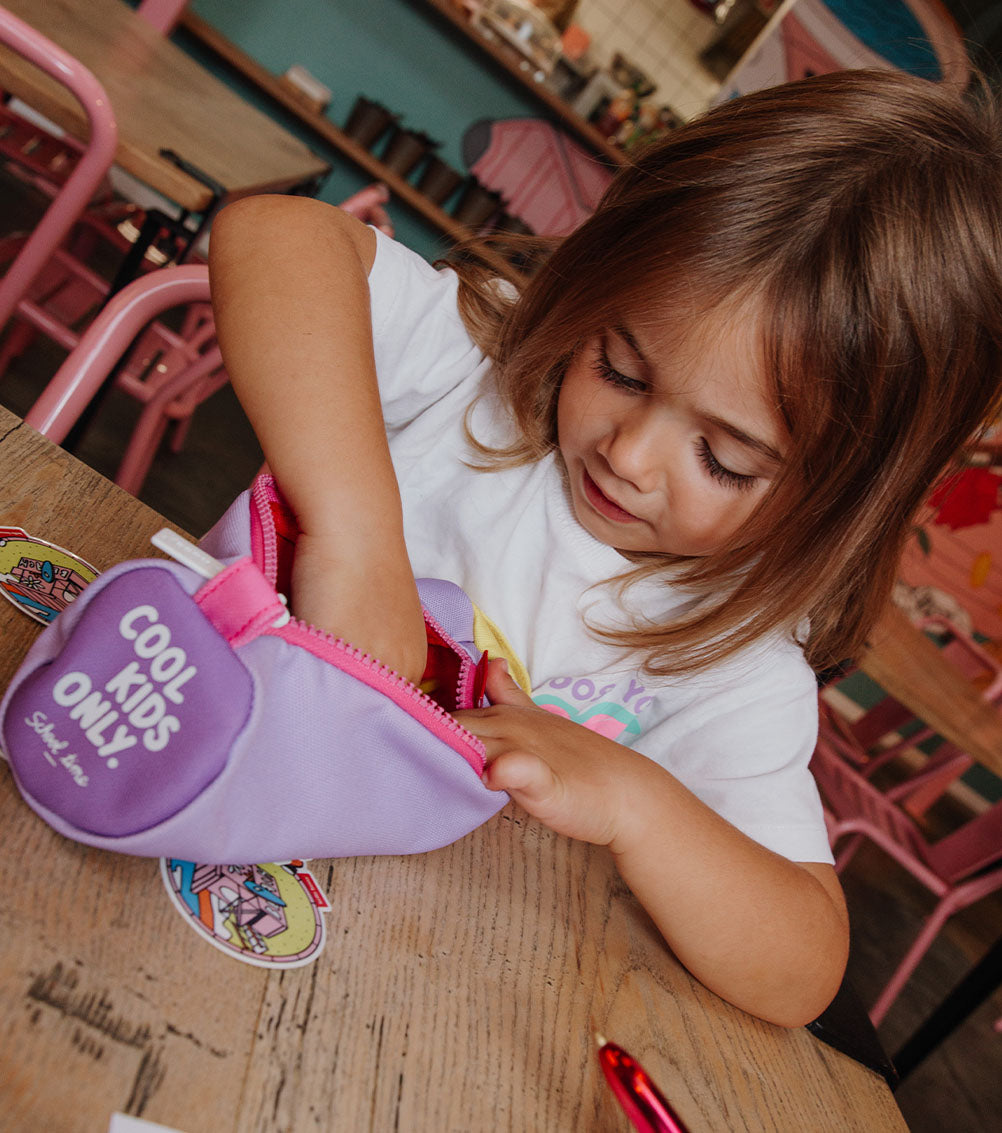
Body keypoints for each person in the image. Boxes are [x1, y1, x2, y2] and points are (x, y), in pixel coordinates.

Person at [208, 69, 1002, 1028]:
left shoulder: (732, 664)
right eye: (619, 367)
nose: (628, 454)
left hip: (379, 985)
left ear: (839, 501)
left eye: (723, 456)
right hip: (177, 750)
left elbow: (804, 966)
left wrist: (634, 801)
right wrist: (357, 532)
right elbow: (271, 235)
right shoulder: (483, 379)